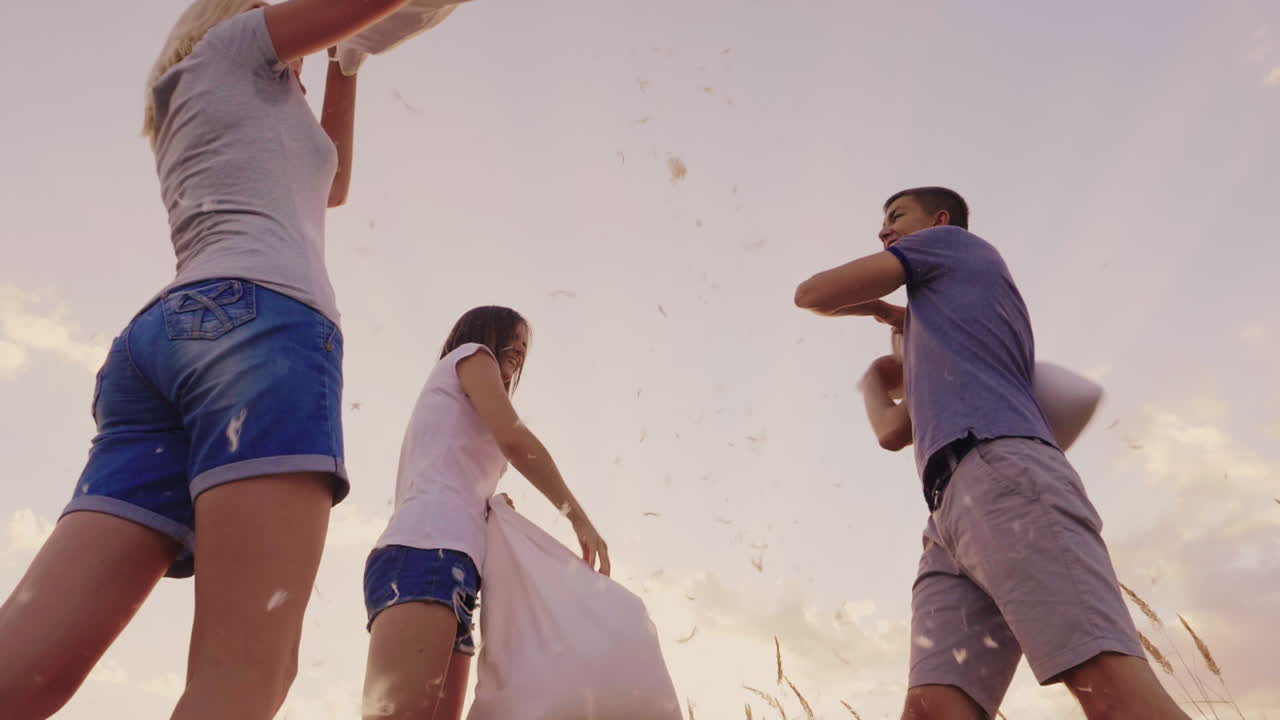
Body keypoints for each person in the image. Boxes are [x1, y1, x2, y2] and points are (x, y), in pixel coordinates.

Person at [0, 1, 420, 718]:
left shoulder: (198, 89)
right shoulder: (237, 44)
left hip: (161, 346)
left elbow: (332, 185)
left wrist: (346, 64)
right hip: (259, 334)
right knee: (246, 668)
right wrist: (353, 30)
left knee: (25, 670)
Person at [795, 187, 1188, 719]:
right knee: (933, 711)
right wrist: (875, 374)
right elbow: (893, 431)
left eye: (896, 216)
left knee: (1110, 690)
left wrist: (877, 304)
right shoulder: (939, 326)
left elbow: (813, 293)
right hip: (949, 513)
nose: (883, 229)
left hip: (1001, 475)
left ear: (939, 220)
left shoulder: (952, 244)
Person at [361, 306, 611, 720]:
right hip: (425, 550)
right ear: (486, 332)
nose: (520, 351)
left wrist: (491, 508)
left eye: (525, 347)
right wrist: (577, 516)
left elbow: (454, 474)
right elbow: (515, 438)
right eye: (513, 338)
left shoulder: (465, 404)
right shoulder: (473, 355)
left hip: (457, 570)